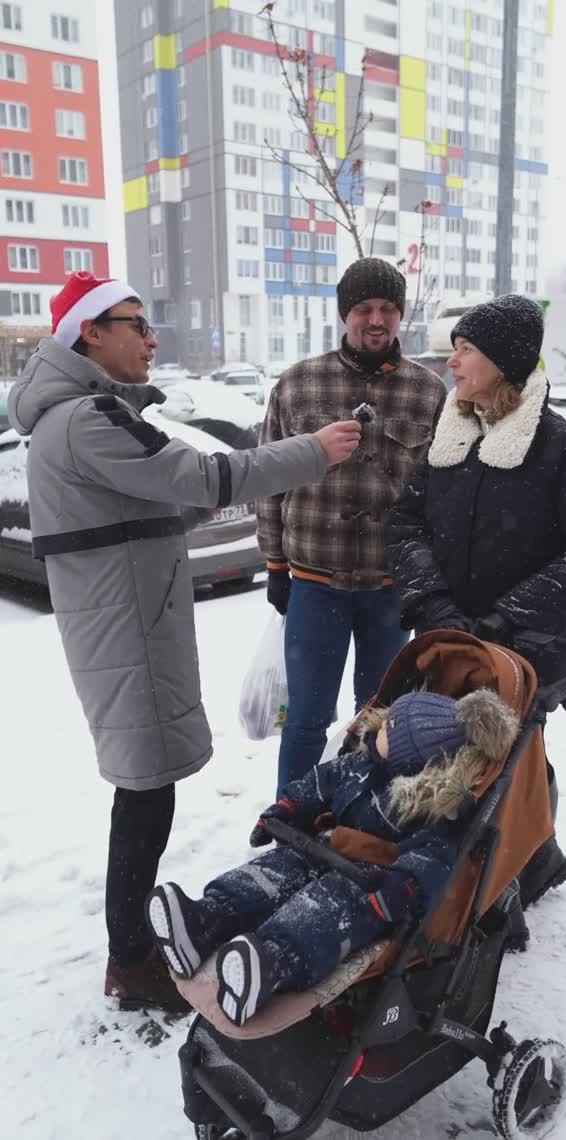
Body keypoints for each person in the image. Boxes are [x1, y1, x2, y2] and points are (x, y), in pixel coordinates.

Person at [8, 271, 362, 1013]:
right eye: (134, 323)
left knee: (146, 788)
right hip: (127, 635)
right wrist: (316, 452)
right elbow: (205, 475)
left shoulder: (70, 419)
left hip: (125, 625)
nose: (149, 337)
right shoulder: (86, 418)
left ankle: (132, 946)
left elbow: (151, 505)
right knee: (143, 796)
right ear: (89, 333)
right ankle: (130, 961)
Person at [385, 294, 566, 910]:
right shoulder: (449, 440)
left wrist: (508, 617)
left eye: (465, 350)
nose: (452, 362)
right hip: (452, 637)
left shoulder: (562, 450)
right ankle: (532, 859)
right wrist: (434, 604)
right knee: (487, 754)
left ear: (503, 361)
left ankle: (506, 881)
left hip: (530, 645)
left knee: (512, 754)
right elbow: (406, 524)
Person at [146, 686, 518, 1026]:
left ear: (410, 757)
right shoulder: (360, 764)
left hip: (368, 884)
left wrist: (403, 887)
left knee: (321, 912)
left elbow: (434, 859)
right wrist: (287, 809)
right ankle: (207, 920)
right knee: (273, 871)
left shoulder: (432, 810)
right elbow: (318, 783)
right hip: (324, 847)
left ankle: (273, 962)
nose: (381, 726)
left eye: (392, 728)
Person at [256, 258, 446, 796]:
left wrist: (432, 575)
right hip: (315, 586)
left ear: (401, 316)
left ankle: (364, 811)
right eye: (364, 308)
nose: (377, 319)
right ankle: (287, 818)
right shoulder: (298, 384)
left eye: (388, 308)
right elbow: (269, 480)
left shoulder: (429, 393)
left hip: (390, 591)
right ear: (346, 314)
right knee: (306, 719)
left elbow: (442, 495)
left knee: (380, 718)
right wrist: (274, 564)